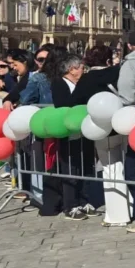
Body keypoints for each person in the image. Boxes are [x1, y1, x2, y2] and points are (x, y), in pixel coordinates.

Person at [70, 45, 129, 226]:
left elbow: (76, 102)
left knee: (110, 169)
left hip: (101, 129)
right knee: (127, 167)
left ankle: (117, 214)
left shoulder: (86, 79)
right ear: (108, 59)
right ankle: (132, 205)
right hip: (124, 123)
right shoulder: (119, 72)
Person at [47, 54, 95, 220]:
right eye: (81, 67)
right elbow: (64, 104)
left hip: (85, 130)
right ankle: (71, 205)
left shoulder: (83, 83)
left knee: (87, 165)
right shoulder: (59, 83)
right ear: (71, 69)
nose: (83, 70)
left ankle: (85, 200)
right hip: (69, 131)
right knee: (71, 167)